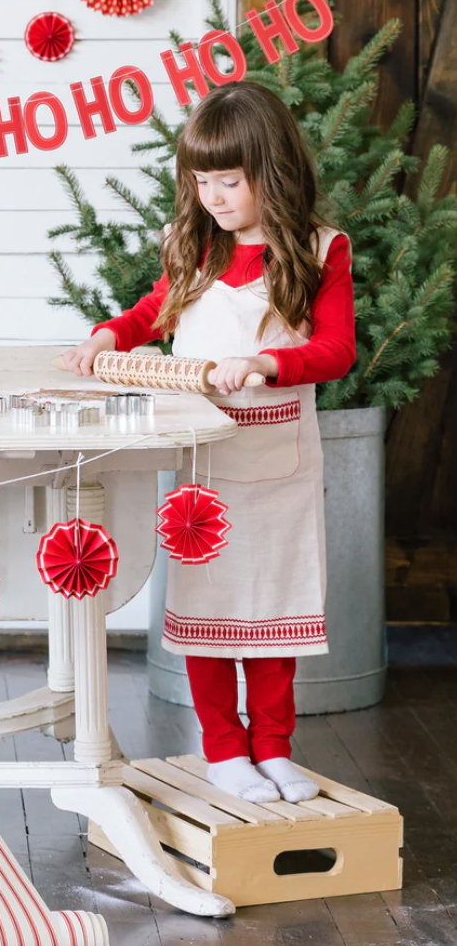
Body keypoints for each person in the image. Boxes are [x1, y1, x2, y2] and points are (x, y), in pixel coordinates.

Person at [60, 83, 356, 804]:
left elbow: (337, 349)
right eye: (202, 180)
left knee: (276, 606)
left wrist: (266, 364)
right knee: (211, 607)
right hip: (207, 462)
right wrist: (110, 334)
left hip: (279, 456)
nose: (215, 196)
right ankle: (224, 749)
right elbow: (151, 312)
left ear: (273, 170)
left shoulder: (320, 250)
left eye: (230, 180)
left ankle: (275, 747)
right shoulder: (197, 248)